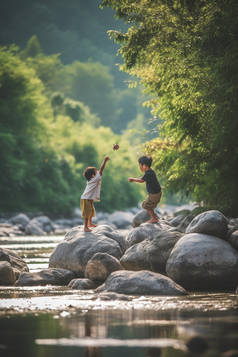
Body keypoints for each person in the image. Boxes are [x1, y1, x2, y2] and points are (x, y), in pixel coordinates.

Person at [128, 155, 162, 223]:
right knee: (145, 205)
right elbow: (143, 178)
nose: (139, 167)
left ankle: (154, 218)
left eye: (139, 165)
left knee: (147, 206)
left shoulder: (149, 173)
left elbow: (142, 180)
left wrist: (133, 179)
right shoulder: (150, 171)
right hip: (155, 193)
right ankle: (154, 217)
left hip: (155, 194)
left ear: (144, 166)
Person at [81, 156, 110, 232]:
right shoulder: (94, 179)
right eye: (96, 171)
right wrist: (104, 161)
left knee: (91, 210)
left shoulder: (92, 179)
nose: (98, 171)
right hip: (86, 198)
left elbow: (100, 171)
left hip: (89, 198)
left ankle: (90, 224)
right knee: (87, 212)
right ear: (93, 175)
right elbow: (101, 169)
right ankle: (85, 227)